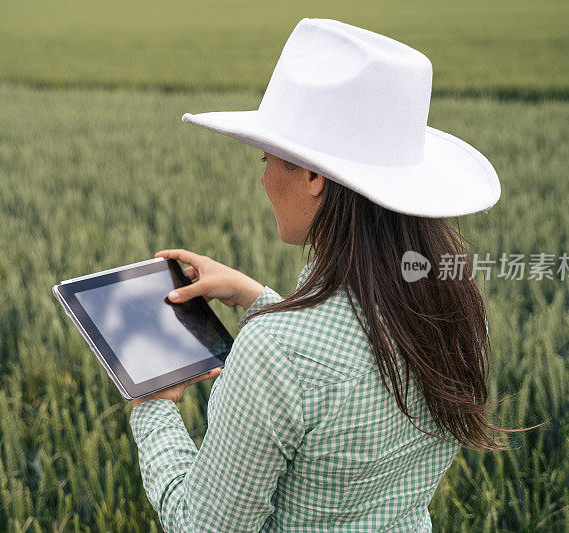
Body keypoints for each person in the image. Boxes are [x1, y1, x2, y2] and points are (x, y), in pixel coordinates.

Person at [128, 18, 510, 531]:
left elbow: (203, 525)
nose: (262, 178)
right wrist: (257, 298)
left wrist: (150, 407)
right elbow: (346, 360)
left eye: (267, 158)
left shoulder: (279, 352)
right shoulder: (450, 307)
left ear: (314, 178)